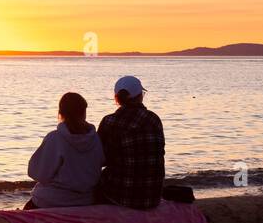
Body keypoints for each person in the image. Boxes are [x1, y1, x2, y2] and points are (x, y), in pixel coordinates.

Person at [24, 92, 104, 209]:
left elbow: (37, 173)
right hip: (85, 200)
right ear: (84, 112)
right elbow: (99, 164)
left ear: (61, 113)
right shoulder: (95, 138)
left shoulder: (55, 138)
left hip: (52, 201)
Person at [96, 75, 165, 209]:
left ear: (117, 98)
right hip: (153, 197)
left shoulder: (109, 122)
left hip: (120, 196)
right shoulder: (154, 119)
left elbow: (99, 159)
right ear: (140, 96)